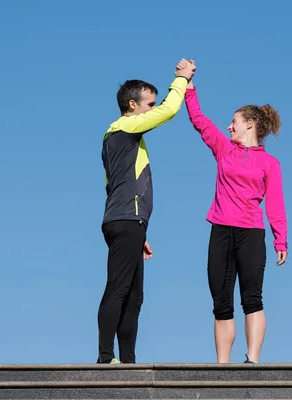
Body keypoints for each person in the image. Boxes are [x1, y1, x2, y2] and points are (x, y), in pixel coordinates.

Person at [180, 60, 288, 364]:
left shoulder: (270, 164)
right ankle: (222, 367)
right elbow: (199, 120)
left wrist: (281, 240)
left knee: (252, 299)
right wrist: (188, 84)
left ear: (250, 124)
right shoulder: (223, 149)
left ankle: (252, 361)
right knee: (221, 302)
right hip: (220, 231)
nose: (229, 126)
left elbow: (276, 205)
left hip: (251, 234)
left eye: (235, 121)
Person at [97, 59, 196, 364]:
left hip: (128, 222)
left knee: (133, 296)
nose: (153, 109)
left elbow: (116, 186)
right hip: (126, 221)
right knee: (118, 288)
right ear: (131, 105)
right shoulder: (125, 126)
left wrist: (140, 231)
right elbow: (169, 110)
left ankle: (127, 362)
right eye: (148, 104)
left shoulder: (120, 139)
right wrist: (181, 80)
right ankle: (105, 358)